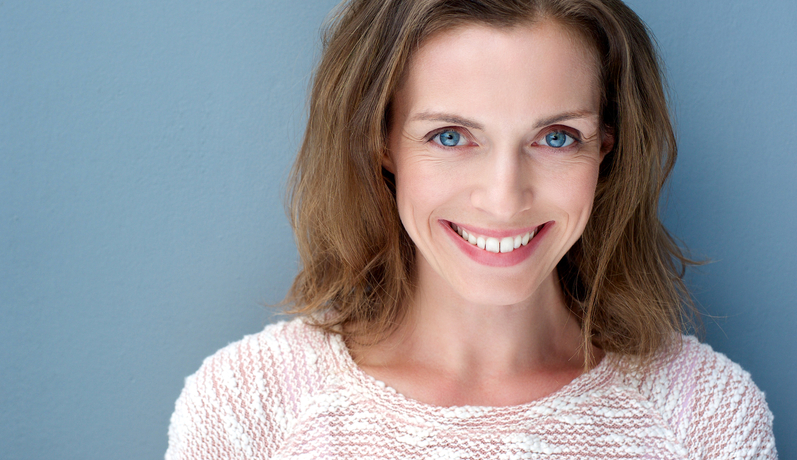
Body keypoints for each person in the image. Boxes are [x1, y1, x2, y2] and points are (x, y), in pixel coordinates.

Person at [166, 0, 777, 458]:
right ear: (381, 143)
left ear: (606, 150)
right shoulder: (251, 406)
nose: (504, 199)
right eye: (450, 136)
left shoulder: (703, 416)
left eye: (556, 137)